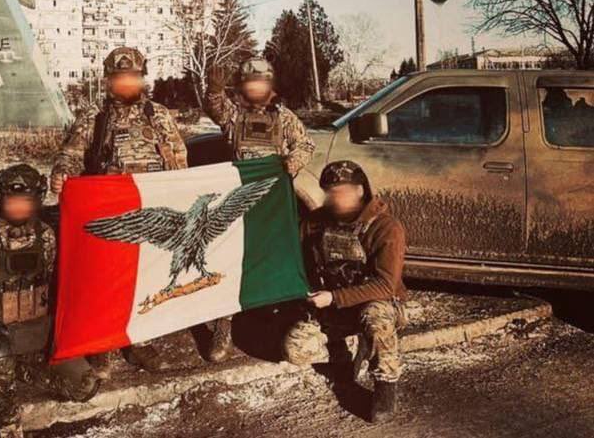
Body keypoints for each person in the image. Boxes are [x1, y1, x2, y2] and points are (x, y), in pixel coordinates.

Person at [50, 46, 188, 374]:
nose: (126, 82)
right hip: (110, 214)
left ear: (142, 78)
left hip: (151, 213)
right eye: (119, 77)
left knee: (147, 278)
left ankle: (140, 341)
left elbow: (179, 159)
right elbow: (71, 155)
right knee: (106, 281)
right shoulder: (94, 116)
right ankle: (103, 344)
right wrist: (61, 174)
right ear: (109, 80)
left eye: (132, 76)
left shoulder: (159, 115)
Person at [0, 164, 99, 438]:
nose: (18, 207)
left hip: (35, 333)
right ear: (1, 198)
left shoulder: (45, 235)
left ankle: (21, 370)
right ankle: (7, 420)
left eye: (25, 201)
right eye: (13, 200)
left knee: (85, 385)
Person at [203, 56, 315, 362]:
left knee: (274, 260)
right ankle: (224, 325)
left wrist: (292, 162)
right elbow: (214, 107)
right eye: (250, 81)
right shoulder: (234, 114)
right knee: (230, 261)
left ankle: (276, 321)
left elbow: (306, 144)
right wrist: (214, 88)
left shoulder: (284, 117)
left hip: (272, 204)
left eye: (261, 81)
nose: (256, 87)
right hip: (239, 202)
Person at [282, 160, 408, 424]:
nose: (336, 198)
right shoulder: (315, 222)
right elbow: (297, 261)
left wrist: (334, 298)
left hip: (376, 303)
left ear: (360, 190)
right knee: (296, 349)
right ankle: (348, 352)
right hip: (331, 305)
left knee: (376, 318)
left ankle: (386, 383)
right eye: (330, 192)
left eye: (342, 192)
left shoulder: (386, 227)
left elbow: (386, 285)